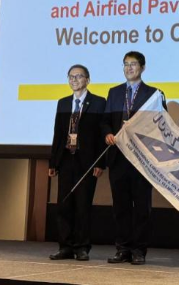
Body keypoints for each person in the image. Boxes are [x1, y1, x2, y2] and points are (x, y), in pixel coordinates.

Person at [101, 51, 164, 266]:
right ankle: (123, 249)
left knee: (142, 208)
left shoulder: (154, 94)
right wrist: (108, 133)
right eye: (125, 64)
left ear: (142, 68)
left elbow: (162, 126)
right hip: (118, 157)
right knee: (121, 207)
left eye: (133, 64)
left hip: (142, 159)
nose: (129, 68)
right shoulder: (115, 92)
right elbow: (105, 121)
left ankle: (139, 250)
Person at [48, 64, 107, 261]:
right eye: (71, 77)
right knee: (63, 205)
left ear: (87, 80)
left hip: (87, 162)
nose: (74, 80)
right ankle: (65, 246)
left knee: (83, 206)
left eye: (79, 76)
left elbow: (101, 135)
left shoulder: (98, 102)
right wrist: (53, 162)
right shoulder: (63, 103)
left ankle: (82, 247)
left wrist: (100, 163)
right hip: (66, 159)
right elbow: (58, 134)